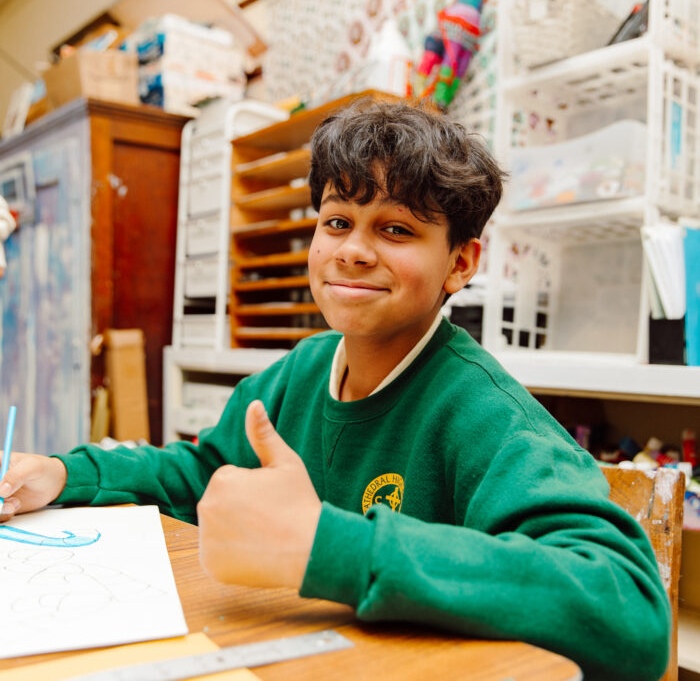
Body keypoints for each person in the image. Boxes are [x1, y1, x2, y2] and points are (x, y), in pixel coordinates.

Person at [0, 100, 668, 681]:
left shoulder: (487, 414)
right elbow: (203, 472)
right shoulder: (303, 369)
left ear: (460, 262)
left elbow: (631, 612)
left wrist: (327, 547)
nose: (352, 250)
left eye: (397, 229)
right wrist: (63, 474)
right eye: (337, 221)